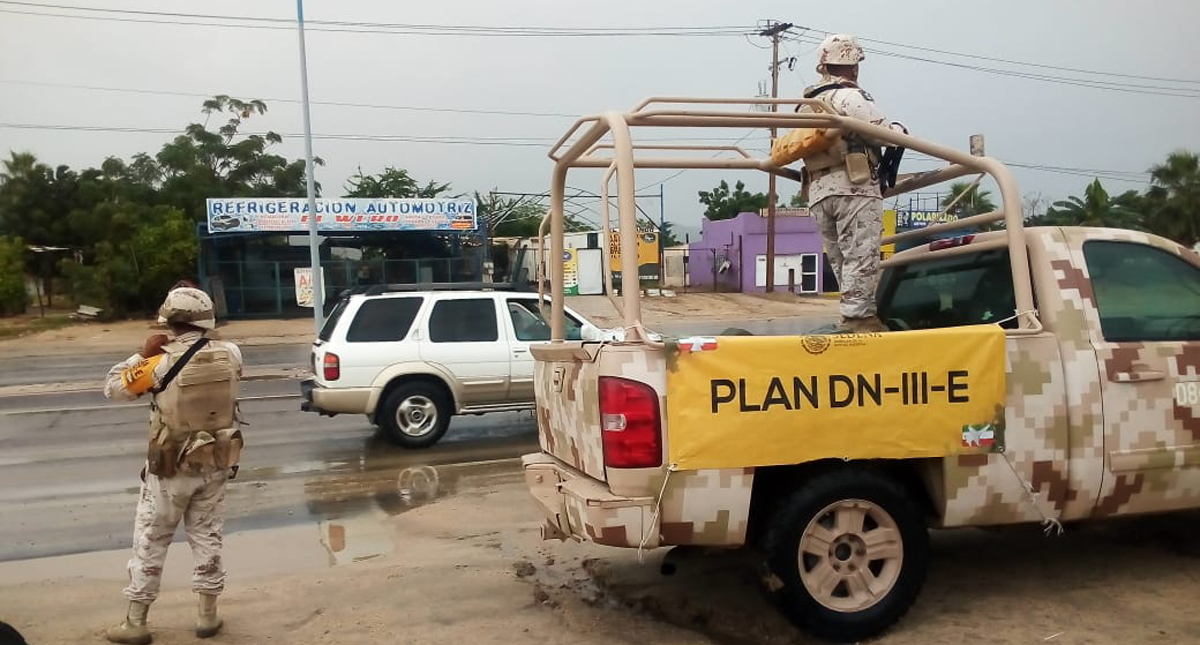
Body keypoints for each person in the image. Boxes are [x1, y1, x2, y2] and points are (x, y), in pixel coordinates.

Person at [102, 286, 244, 644]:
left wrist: (142, 353)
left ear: (170, 321)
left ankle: (136, 623)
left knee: (151, 540)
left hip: (170, 468)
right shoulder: (232, 354)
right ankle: (207, 617)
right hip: (216, 460)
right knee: (208, 537)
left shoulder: (159, 363)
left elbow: (114, 387)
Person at [801, 34, 907, 333]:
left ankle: (851, 314)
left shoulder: (807, 103)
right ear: (854, 65)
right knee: (861, 255)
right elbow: (882, 133)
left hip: (818, 190)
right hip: (854, 184)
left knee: (840, 259)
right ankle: (859, 320)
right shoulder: (849, 96)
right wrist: (900, 131)